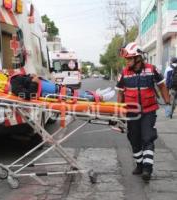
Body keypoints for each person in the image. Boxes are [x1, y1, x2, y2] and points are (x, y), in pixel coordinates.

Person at [116, 42, 170, 182]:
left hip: (148, 111)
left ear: (138, 58)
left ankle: (147, 168)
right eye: (126, 59)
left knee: (147, 137)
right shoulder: (124, 74)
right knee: (134, 139)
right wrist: (119, 112)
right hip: (131, 112)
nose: (127, 61)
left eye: (129, 59)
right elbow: (120, 94)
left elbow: (162, 85)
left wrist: (167, 101)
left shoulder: (152, 70)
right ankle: (139, 164)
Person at [10, 74, 115, 101]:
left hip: (56, 89)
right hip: (53, 94)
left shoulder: (16, 79)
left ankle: (95, 94)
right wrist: (34, 82)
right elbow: (28, 96)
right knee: (75, 96)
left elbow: (29, 83)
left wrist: (31, 76)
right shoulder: (14, 86)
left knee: (75, 93)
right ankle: (99, 97)